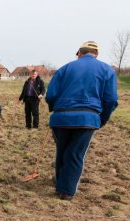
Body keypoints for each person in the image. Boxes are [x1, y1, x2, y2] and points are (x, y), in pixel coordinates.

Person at [45, 41, 118, 200]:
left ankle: (60, 185)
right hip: (87, 118)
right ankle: (66, 191)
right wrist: (101, 119)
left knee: (62, 151)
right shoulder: (107, 70)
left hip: (61, 118)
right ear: (96, 54)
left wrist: (56, 110)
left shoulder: (65, 68)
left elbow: (50, 95)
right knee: (76, 154)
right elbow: (111, 100)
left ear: (79, 53)